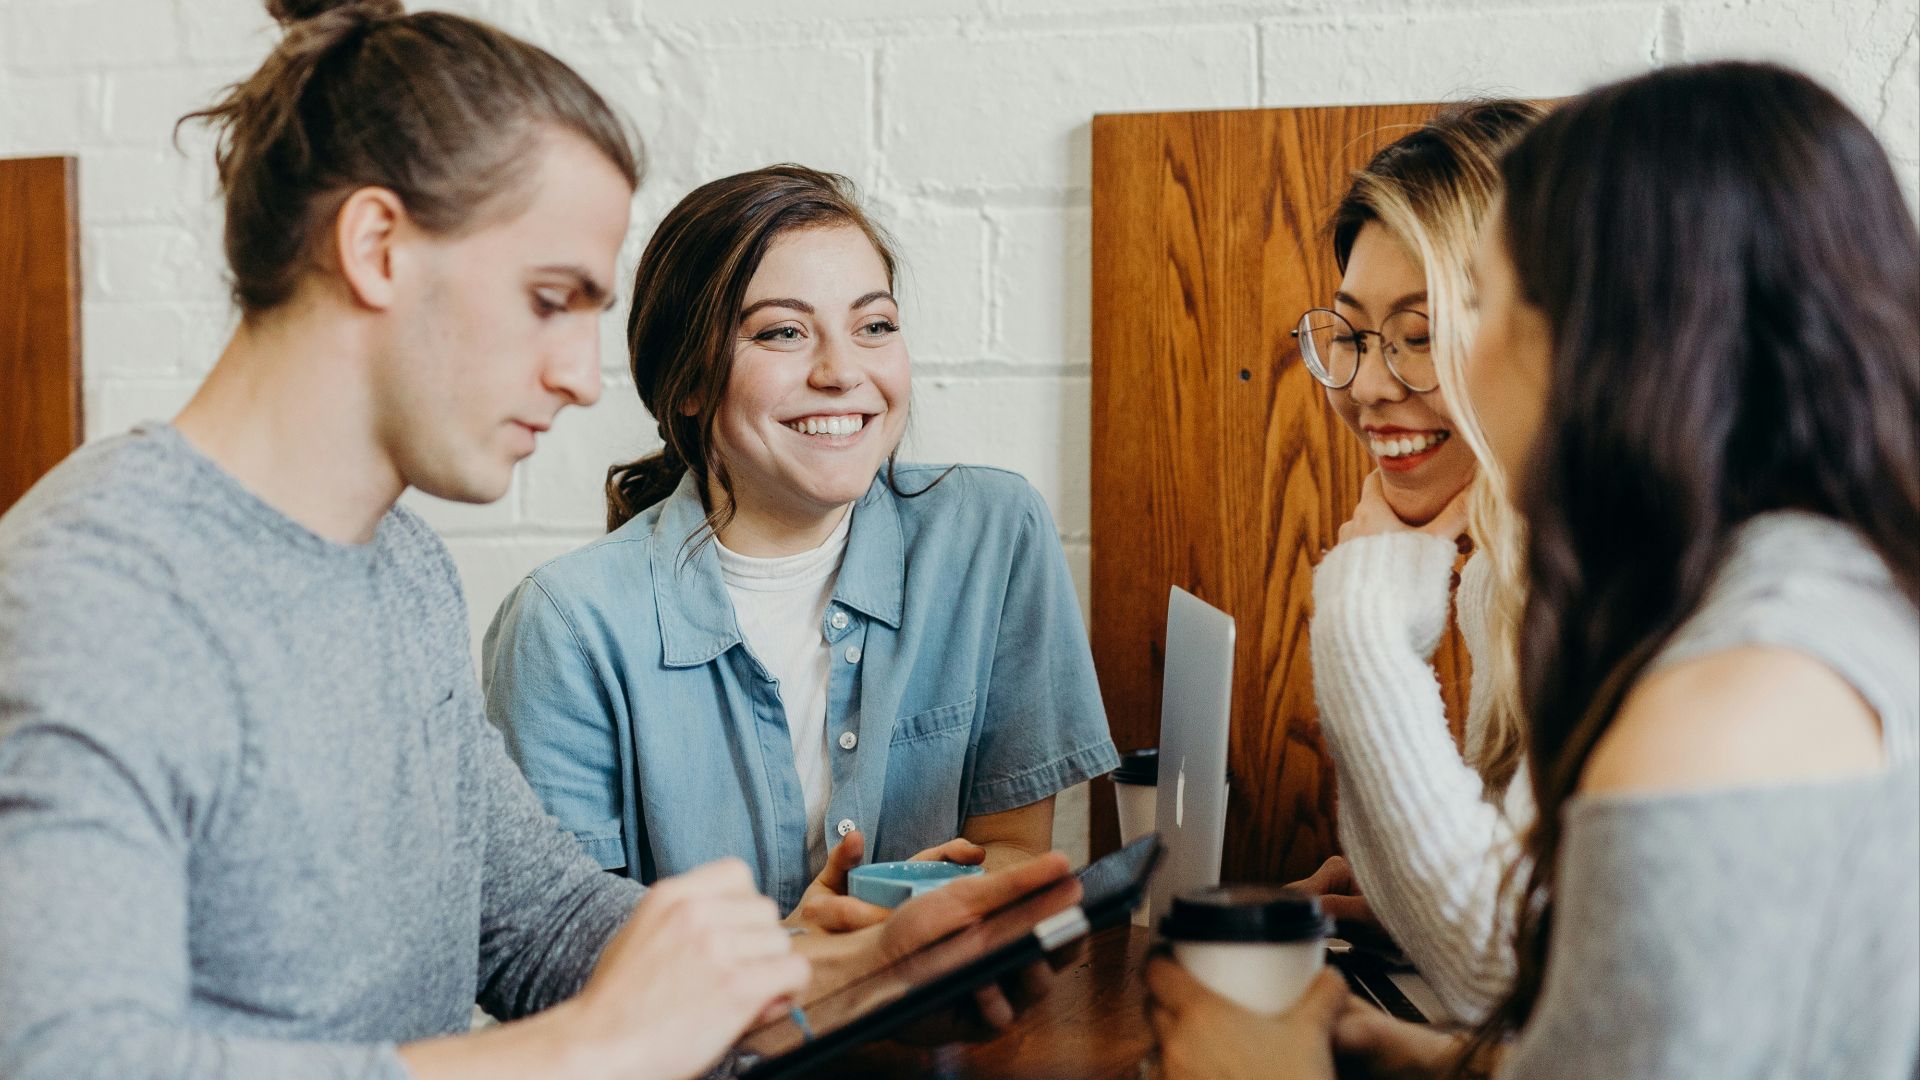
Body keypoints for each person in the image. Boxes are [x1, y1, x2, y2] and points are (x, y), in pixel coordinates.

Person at [0, 4, 1075, 1078]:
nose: (577, 377)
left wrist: (849, 975)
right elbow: (65, 1060)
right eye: (549, 299)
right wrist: (593, 1046)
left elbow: (539, 923)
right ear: (376, 248)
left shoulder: (399, 567)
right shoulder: (96, 594)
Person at [1148, 60, 1919, 1079]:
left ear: (1615, 339)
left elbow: (1522, 975)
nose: (1396, 377)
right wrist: (1436, 1062)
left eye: (1479, 309)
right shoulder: (1811, 597)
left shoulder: (1719, 705)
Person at [483, 164, 1120, 923]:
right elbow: (563, 948)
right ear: (687, 383)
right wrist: (808, 956)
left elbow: (1012, 848)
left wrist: (909, 925)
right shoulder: (564, 626)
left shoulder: (993, 535)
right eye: (783, 332)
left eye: (873, 326)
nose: (842, 372)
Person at [1283, 100, 1544, 1023]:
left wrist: (1361, 624)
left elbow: (1503, 972)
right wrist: (1406, 900)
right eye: (1351, 335)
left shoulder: (1619, 578)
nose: (1365, 385)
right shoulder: (1508, 572)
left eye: (1421, 336)